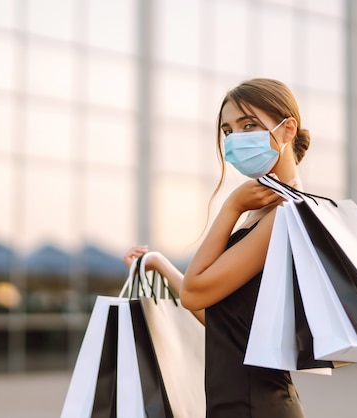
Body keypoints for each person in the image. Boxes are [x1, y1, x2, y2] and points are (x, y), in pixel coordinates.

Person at [123, 78, 310, 417]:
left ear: (287, 129)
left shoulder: (283, 214)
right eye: (228, 131)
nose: (235, 140)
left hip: (255, 407)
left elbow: (194, 294)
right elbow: (219, 316)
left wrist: (231, 207)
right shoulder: (264, 210)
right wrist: (160, 264)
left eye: (248, 125)